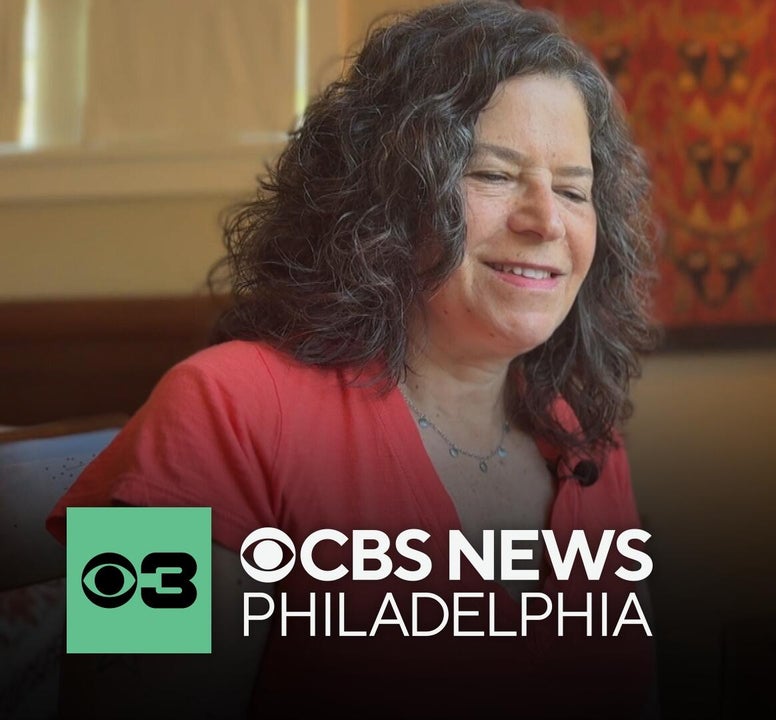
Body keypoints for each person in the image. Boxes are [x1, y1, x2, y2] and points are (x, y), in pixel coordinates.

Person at [47, 1, 658, 717]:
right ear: (389, 196)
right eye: (493, 175)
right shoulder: (212, 405)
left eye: (574, 190)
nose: (547, 220)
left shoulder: (588, 441)